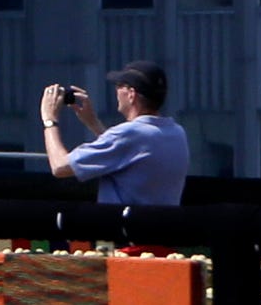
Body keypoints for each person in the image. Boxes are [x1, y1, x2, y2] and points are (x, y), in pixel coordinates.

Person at [40, 62, 191, 207]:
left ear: (131, 94)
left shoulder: (129, 134)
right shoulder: (177, 133)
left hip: (123, 230)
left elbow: (60, 167)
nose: (116, 92)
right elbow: (127, 153)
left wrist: (49, 120)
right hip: (162, 230)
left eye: (119, 86)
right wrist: (94, 123)